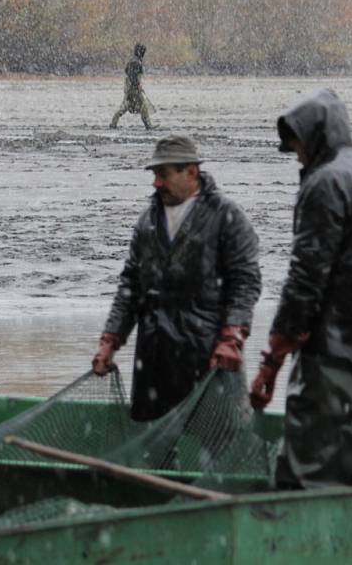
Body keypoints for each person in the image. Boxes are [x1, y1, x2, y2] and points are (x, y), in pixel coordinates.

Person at [249, 88, 352, 489]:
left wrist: (275, 352)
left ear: (315, 135)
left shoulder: (326, 183)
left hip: (341, 347)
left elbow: (307, 274)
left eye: (298, 144)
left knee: (309, 466)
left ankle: (300, 545)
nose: (297, 155)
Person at [92, 135, 261, 421]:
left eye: (163, 174)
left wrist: (232, 336)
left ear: (191, 172)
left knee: (217, 438)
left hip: (207, 352)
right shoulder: (147, 221)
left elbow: (245, 283)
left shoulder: (226, 217)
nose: (156, 183)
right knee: (155, 447)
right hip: (154, 355)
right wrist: (111, 339)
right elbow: (130, 286)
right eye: (155, 175)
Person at [109, 43, 153, 130]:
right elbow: (133, 76)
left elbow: (127, 72)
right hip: (134, 88)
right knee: (141, 105)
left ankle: (113, 123)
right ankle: (148, 125)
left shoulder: (132, 61)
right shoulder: (136, 62)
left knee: (128, 105)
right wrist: (137, 85)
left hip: (130, 88)